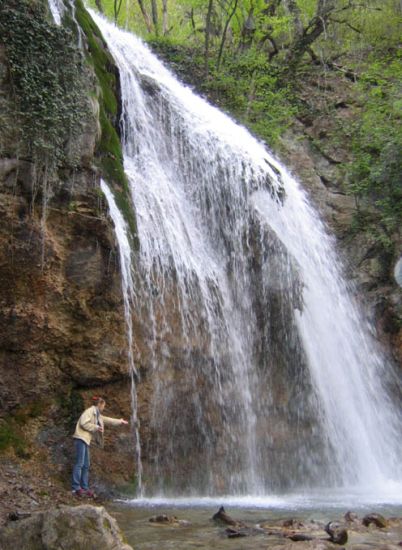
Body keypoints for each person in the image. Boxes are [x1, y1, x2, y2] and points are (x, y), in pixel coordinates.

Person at [72, 396, 128, 497]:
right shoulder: (89, 411)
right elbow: (83, 423)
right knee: (80, 464)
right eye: (103, 406)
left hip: (85, 440)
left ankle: (84, 488)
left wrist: (120, 421)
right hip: (80, 438)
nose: (104, 408)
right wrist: (96, 427)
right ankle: (76, 487)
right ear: (99, 404)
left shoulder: (97, 415)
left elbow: (107, 420)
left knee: (86, 465)